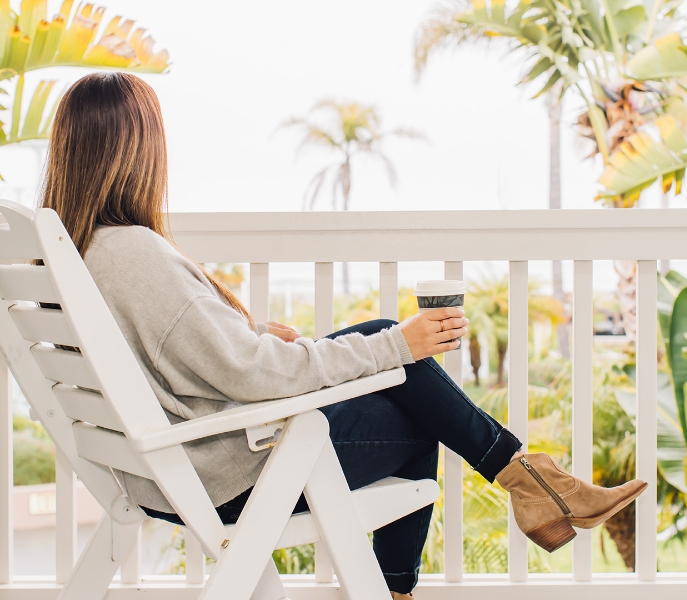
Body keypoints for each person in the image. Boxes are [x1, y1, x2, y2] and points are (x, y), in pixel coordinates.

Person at [40, 72, 646, 599]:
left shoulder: (79, 253)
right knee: (418, 406)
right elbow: (249, 374)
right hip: (229, 471)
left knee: (394, 347)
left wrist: (247, 333)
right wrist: (394, 348)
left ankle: (532, 483)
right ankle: (515, 499)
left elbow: (169, 353)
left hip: (162, 467)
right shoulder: (134, 252)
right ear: (138, 152)